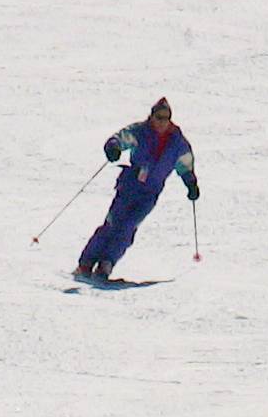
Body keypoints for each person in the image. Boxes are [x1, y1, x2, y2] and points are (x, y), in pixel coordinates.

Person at [73, 97, 200, 280]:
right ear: (152, 116)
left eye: (165, 118)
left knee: (128, 226)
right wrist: (113, 147)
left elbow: (185, 164)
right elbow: (120, 138)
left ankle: (107, 263)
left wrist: (190, 182)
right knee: (113, 222)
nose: (161, 122)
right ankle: (86, 262)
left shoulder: (177, 142)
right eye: (158, 117)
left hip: (150, 192)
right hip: (130, 184)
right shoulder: (141, 131)